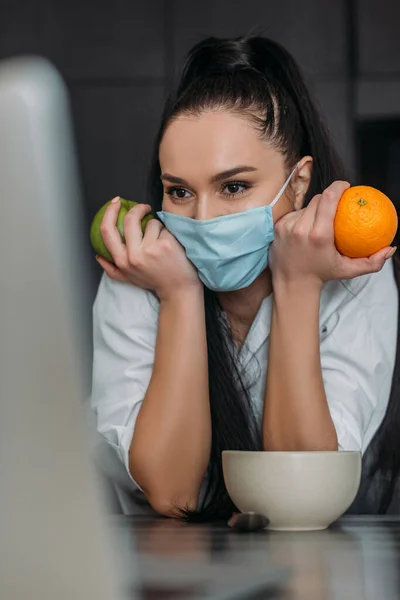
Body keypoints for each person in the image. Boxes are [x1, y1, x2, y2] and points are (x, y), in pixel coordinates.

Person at [89, 35, 400, 520]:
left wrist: (298, 286)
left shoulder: (356, 272)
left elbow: (302, 497)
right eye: (180, 192)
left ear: (297, 184)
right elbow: (174, 495)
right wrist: (180, 294)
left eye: (234, 186)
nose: (206, 218)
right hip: (168, 579)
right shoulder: (142, 268)